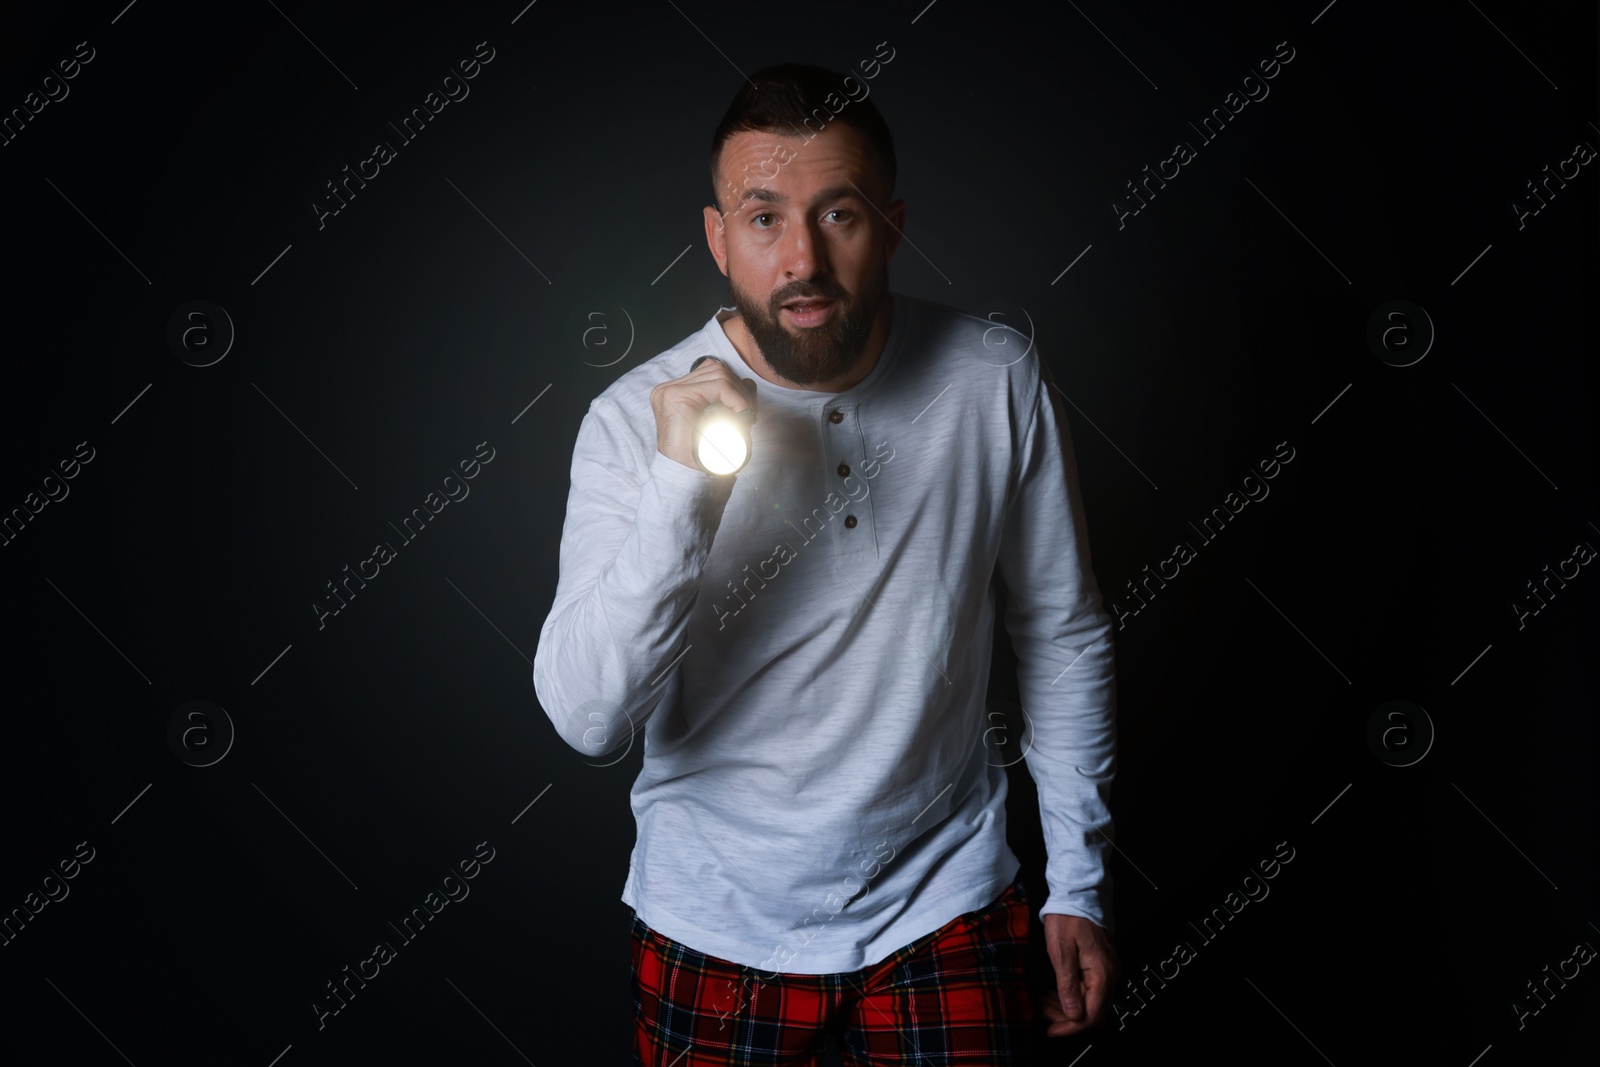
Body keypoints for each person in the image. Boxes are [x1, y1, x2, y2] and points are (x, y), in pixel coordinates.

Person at [532, 62, 1119, 1065]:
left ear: (890, 225)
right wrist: (686, 483)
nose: (800, 258)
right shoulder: (635, 422)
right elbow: (587, 717)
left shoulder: (991, 377)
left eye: (836, 214)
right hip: (715, 919)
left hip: (946, 904)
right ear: (718, 238)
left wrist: (1077, 880)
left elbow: (1059, 631)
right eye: (762, 218)